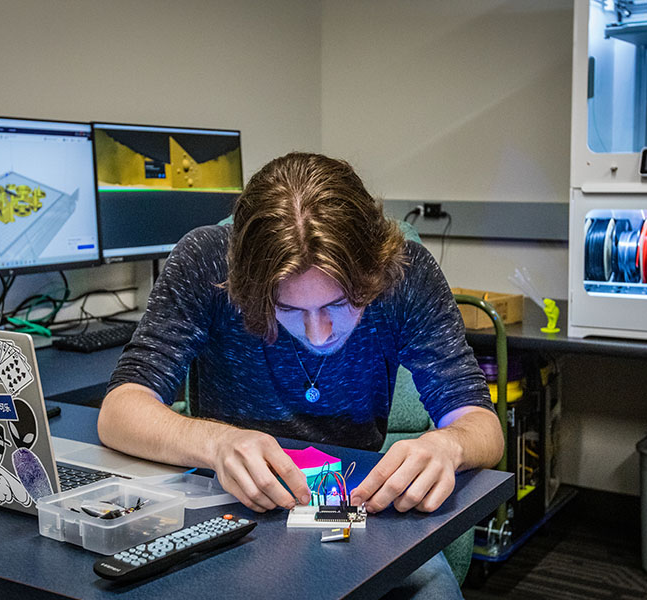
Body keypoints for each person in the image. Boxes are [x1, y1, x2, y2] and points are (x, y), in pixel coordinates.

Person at [98, 152, 504, 597]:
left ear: (373, 274)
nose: (319, 332)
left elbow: (482, 425)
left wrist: (448, 444)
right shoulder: (207, 262)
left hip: (355, 514)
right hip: (233, 512)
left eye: (339, 304)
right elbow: (120, 409)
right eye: (288, 308)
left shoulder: (406, 273)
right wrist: (218, 443)